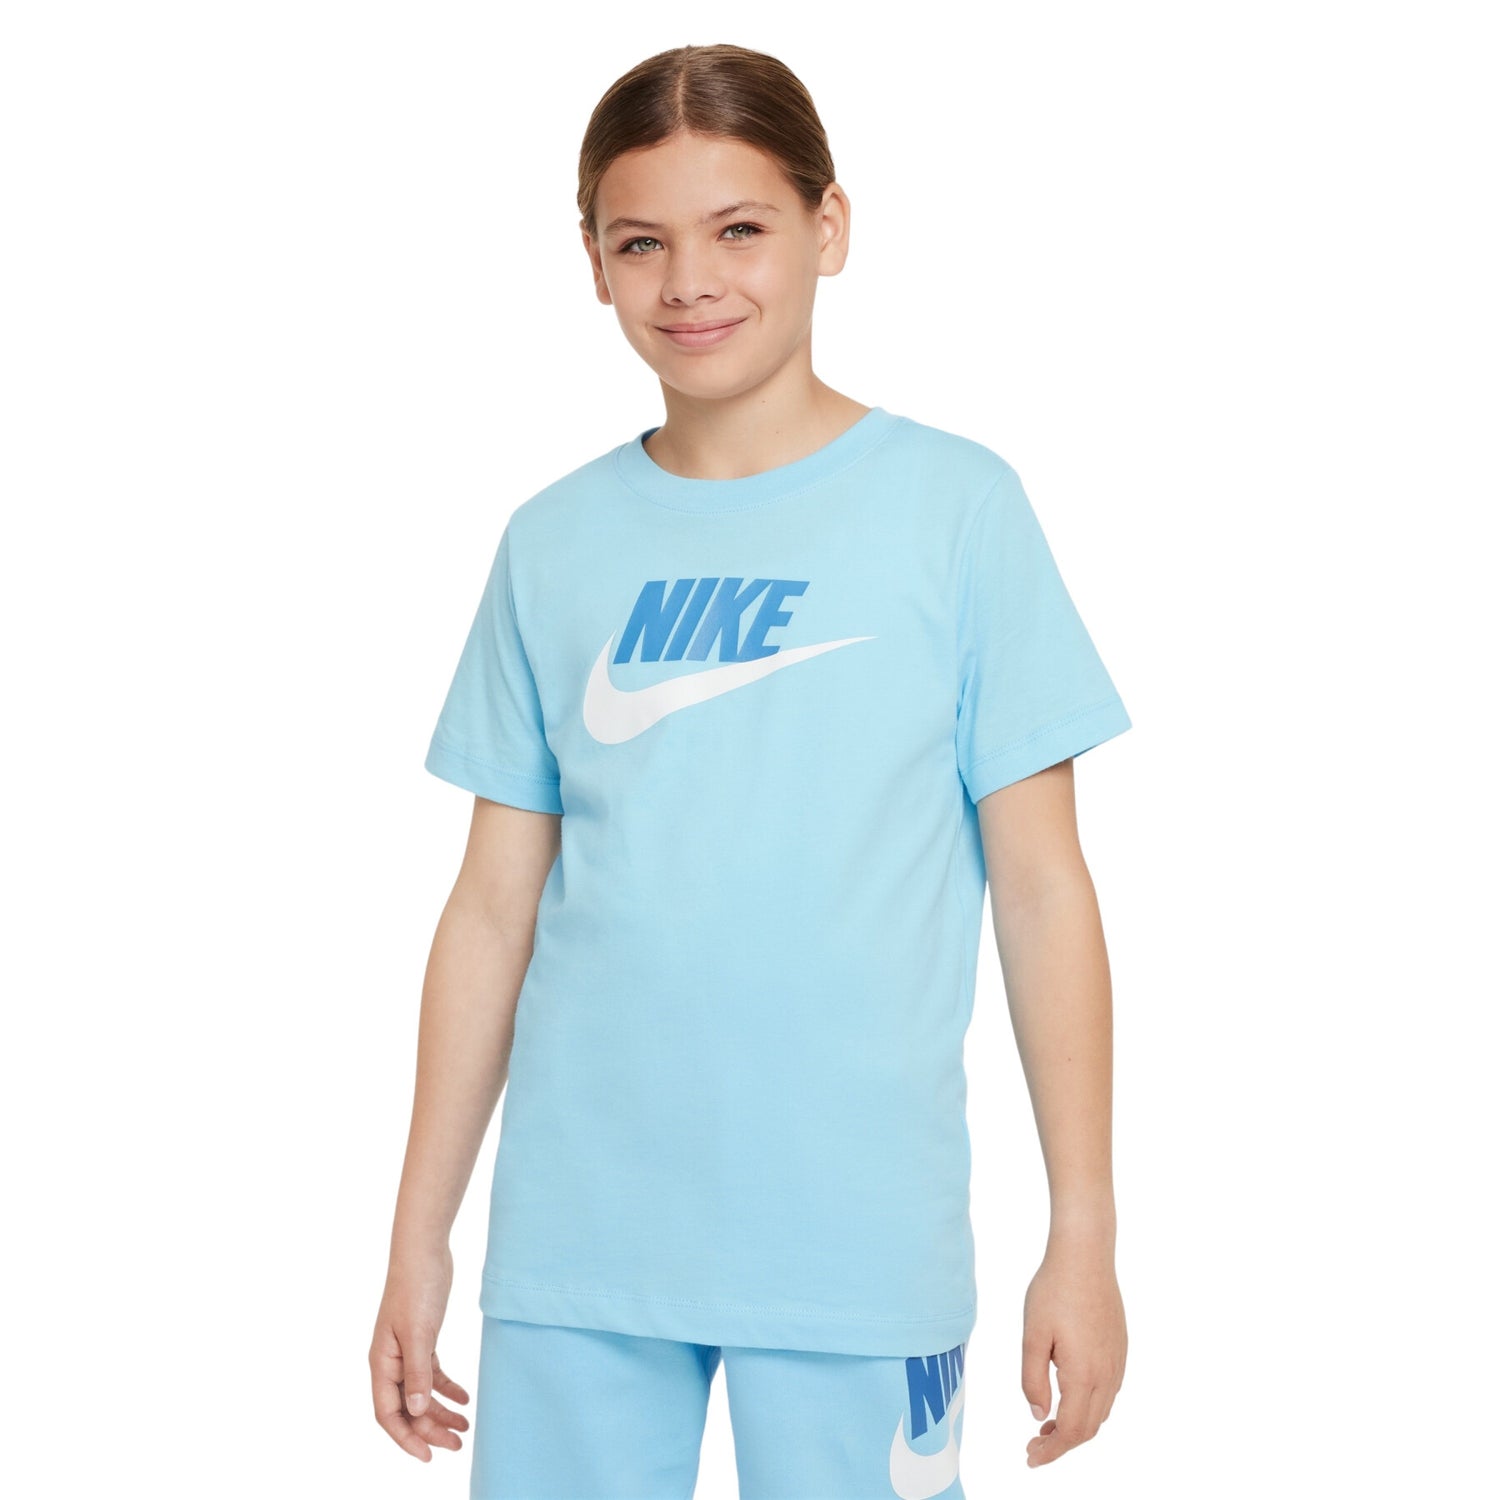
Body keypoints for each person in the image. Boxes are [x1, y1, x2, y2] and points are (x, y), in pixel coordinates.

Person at [369, 42, 1131, 1500]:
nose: (689, 283)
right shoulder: (552, 542)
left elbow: (1045, 893)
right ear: (592, 261)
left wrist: (1082, 1232)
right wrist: (421, 1234)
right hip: (583, 1242)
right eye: (639, 242)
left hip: (858, 1241)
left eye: (738, 229)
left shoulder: (957, 511)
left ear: (827, 227)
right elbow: (490, 911)